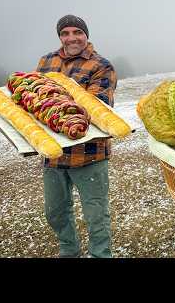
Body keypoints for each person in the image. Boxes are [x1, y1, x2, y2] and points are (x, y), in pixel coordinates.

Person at [36, 14, 117, 258]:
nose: (71, 38)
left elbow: (96, 107)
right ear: (60, 36)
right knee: (56, 212)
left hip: (89, 154)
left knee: (96, 214)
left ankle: (100, 254)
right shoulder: (46, 61)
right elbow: (34, 99)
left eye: (77, 32)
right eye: (65, 33)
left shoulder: (101, 65)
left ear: (86, 35)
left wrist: (51, 103)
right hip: (54, 155)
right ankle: (69, 251)